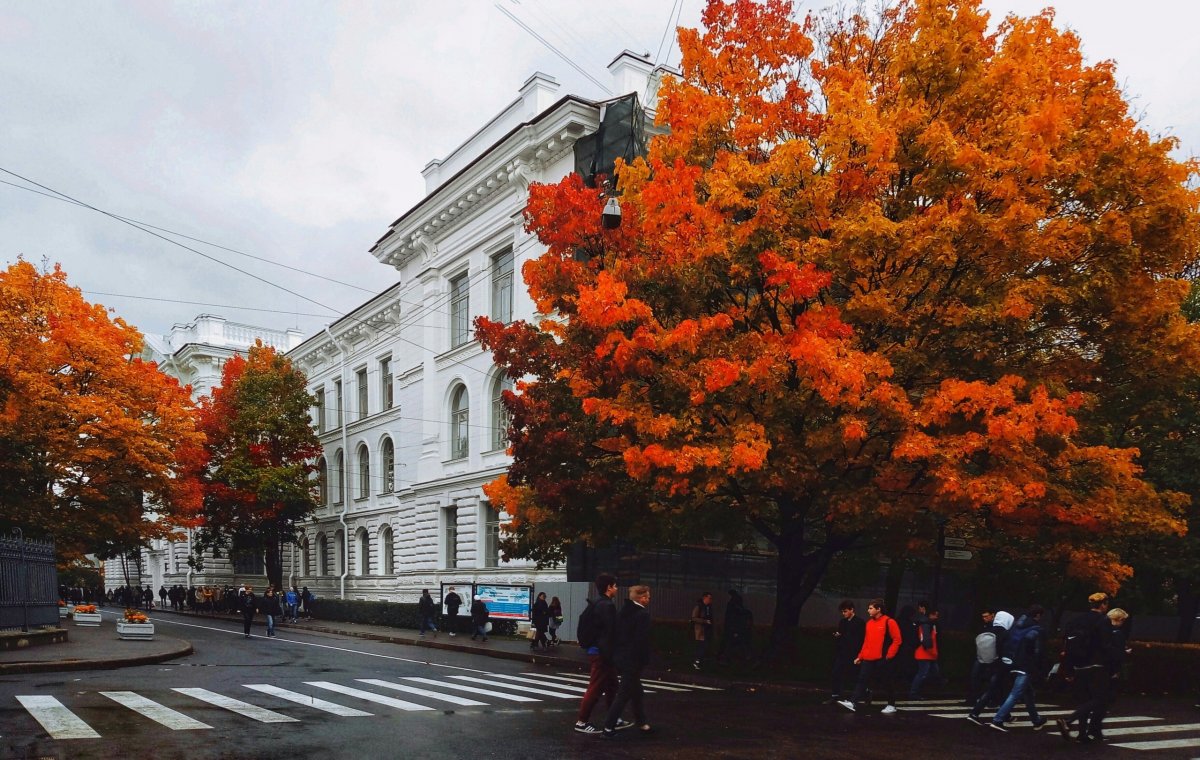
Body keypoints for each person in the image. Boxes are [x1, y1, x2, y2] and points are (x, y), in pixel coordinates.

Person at [1057, 593, 1117, 743]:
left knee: (1084, 699)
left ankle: (1082, 734)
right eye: (1106, 604)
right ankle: (1068, 721)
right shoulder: (1104, 621)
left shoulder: (1076, 620)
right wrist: (1114, 666)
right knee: (1100, 699)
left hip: (1078, 665)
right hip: (1097, 665)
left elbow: (1068, 645)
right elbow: (1106, 646)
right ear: (1103, 604)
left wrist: (1068, 668)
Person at [575, 573, 625, 735]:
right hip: (602, 653)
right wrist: (613, 655)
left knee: (612, 685)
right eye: (615, 585)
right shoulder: (607, 606)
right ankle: (581, 722)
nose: (617, 588)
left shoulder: (596, 603)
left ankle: (613, 717)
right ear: (609, 587)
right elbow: (610, 633)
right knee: (596, 688)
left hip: (599, 651)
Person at [602, 585, 654, 738]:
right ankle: (608, 727)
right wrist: (645, 660)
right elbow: (642, 641)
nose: (649, 599)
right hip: (634, 660)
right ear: (642, 598)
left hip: (621, 658)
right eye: (648, 596)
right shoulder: (642, 615)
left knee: (637, 691)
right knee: (624, 693)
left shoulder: (622, 612)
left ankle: (642, 721)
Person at [988, 605, 1048, 732]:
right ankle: (998, 720)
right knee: (1016, 693)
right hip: (1026, 665)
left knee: (1028, 692)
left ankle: (1036, 720)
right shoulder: (1037, 629)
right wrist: (1039, 669)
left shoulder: (1016, 626)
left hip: (1012, 662)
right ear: (1038, 615)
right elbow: (1038, 652)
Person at [839, 599, 902, 714]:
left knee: (886, 681)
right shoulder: (869, 624)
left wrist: (889, 655)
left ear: (879, 609)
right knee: (862, 679)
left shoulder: (889, 622)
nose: (868, 610)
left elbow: (897, 639)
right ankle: (853, 702)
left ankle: (891, 705)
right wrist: (860, 656)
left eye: (871, 608)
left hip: (883, 657)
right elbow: (866, 642)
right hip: (869, 657)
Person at [966, 610, 1014, 723]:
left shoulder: (991, 630)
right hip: (1001, 666)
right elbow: (1006, 650)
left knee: (997, 689)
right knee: (993, 690)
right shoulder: (1005, 634)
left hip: (990, 663)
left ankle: (1005, 715)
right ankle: (975, 713)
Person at [832, 600, 865, 703]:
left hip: (853, 653)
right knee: (837, 672)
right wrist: (838, 636)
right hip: (843, 652)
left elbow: (860, 638)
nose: (843, 613)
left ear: (852, 610)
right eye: (842, 611)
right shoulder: (843, 622)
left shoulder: (859, 622)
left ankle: (862, 693)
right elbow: (842, 635)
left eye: (845, 611)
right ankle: (836, 695)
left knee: (852, 675)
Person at [908, 606, 940, 700]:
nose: (936, 617)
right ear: (931, 615)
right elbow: (927, 641)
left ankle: (915, 692)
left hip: (926, 653)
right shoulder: (927, 624)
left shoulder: (925, 624)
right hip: (926, 653)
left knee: (925, 673)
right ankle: (914, 693)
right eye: (935, 615)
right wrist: (933, 652)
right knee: (924, 673)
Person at [691, 591, 714, 671]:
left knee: (705, 647)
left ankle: (699, 662)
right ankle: (696, 662)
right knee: (701, 647)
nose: (710, 600)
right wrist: (704, 621)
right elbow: (693, 618)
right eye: (709, 598)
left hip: (707, 630)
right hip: (701, 631)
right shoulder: (699, 606)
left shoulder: (709, 607)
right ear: (705, 598)